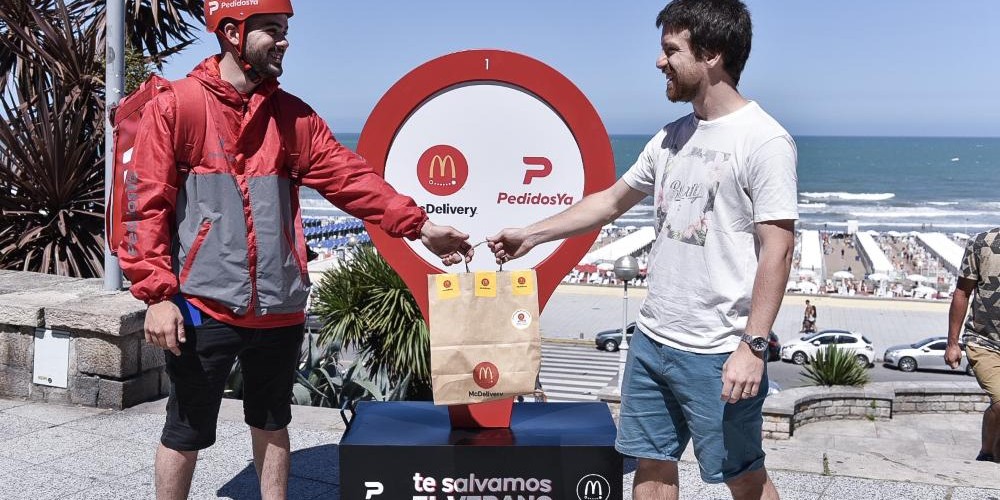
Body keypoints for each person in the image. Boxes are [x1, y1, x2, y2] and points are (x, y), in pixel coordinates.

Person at [117, 2, 474, 498]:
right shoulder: (177, 106)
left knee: (272, 422)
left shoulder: (293, 116)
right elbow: (143, 205)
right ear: (230, 33)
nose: (283, 41)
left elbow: (350, 179)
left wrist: (418, 226)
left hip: (279, 307)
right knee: (186, 429)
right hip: (203, 304)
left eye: (284, 31)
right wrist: (156, 293)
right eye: (271, 30)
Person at [488, 1, 795, 497]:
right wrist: (531, 234)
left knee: (743, 475)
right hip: (651, 339)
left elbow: (777, 251)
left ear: (712, 53)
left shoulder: (764, 141)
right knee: (651, 465)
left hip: (717, 351)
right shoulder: (671, 137)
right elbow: (610, 202)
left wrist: (753, 347)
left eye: (671, 50)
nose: (659, 62)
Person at [945, 227, 1000, 463]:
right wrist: (952, 343)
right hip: (984, 341)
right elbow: (962, 292)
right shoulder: (981, 243)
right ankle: (993, 451)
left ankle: (987, 451)